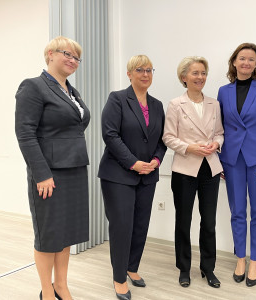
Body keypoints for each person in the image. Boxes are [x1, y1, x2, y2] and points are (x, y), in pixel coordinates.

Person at [15, 36, 89, 300]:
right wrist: (42, 174)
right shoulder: (33, 87)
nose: (72, 60)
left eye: (76, 57)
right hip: (50, 173)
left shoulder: (70, 90)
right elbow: (25, 134)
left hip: (75, 169)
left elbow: (73, 127)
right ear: (49, 55)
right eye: (66, 54)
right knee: (49, 234)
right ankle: (47, 290)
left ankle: (61, 284)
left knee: (66, 231)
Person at [98, 55, 167, 300]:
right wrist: (133, 163)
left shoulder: (157, 105)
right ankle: (119, 278)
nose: (145, 74)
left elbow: (161, 140)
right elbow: (110, 135)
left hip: (148, 175)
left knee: (140, 225)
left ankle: (132, 267)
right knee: (122, 227)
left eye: (149, 69)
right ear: (129, 73)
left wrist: (156, 161)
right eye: (140, 69)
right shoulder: (117, 99)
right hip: (118, 175)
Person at [217, 43, 256, 287]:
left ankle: (255, 261)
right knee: (237, 212)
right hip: (232, 160)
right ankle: (240, 258)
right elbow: (218, 127)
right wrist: (219, 160)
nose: (246, 63)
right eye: (242, 58)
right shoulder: (223, 91)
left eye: (251, 59)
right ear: (234, 62)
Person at [163, 57, 224, 289]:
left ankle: (208, 268)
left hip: (210, 168)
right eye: (195, 73)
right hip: (185, 168)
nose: (200, 77)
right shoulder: (175, 104)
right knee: (184, 221)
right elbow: (168, 137)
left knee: (209, 222)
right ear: (184, 77)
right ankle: (184, 269)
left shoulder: (214, 103)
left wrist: (215, 145)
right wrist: (190, 147)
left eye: (203, 73)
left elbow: (220, 133)